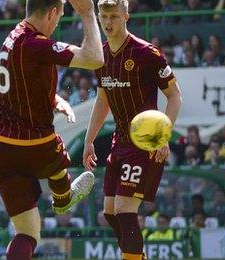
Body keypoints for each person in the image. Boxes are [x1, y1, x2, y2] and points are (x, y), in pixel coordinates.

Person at [0, 0, 103, 258]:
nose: (58, 22)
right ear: (51, 12)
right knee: (56, 157)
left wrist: (53, 99)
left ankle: (62, 199)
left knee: (27, 233)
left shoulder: (13, 36)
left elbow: (22, 79)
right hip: (32, 145)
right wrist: (86, 13)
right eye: (59, 17)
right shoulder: (37, 44)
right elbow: (95, 58)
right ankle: (63, 200)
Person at [82, 1, 183, 259]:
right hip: (119, 141)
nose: (108, 22)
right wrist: (89, 139)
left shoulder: (147, 54)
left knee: (125, 209)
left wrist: (163, 137)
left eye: (114, 16)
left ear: (126, 16)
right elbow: (102, 100)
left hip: (145, 143)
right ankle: (137, 256)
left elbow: (174, 97)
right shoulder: (100, 56)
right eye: (104, 16)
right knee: (109, 212)